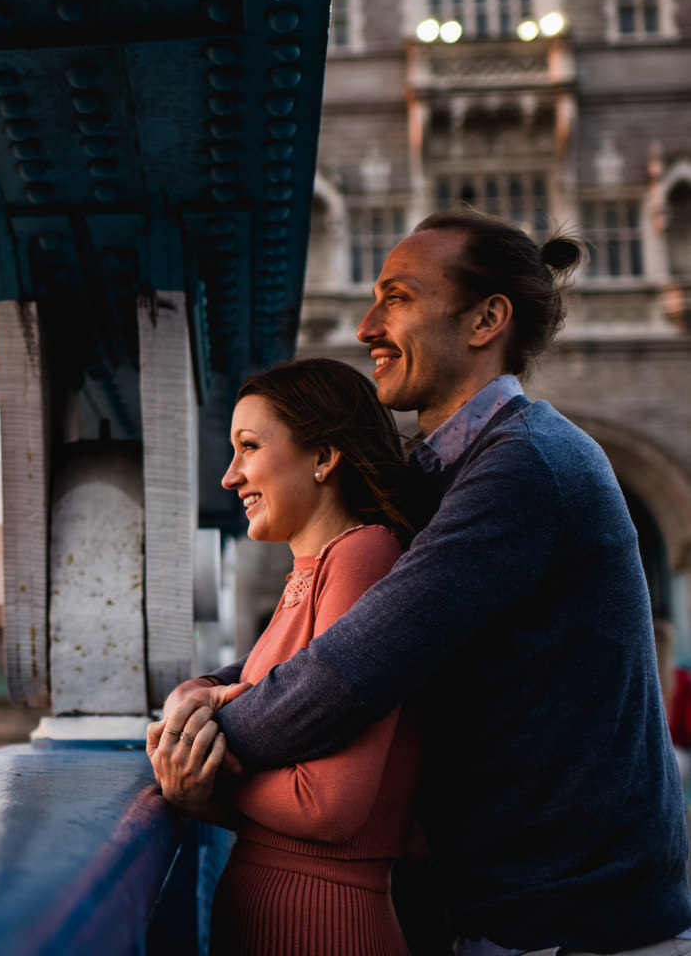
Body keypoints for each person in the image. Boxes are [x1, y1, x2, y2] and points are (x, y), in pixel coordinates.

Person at [165, 209, 691, 954]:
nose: (367, 325)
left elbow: (358, 666)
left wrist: (203, 750)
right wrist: (204, 689)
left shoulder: (524, 467)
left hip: (576, 920)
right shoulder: (438, 474)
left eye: (399, 298)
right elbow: (333, 639)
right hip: (502, 905)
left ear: (485, 320)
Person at [151, 357, 425, 954]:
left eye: (248, 447)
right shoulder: (310, 569)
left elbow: (327, 807)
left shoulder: (364, 555)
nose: (230, 477)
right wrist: (189, 696)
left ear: (325, 458)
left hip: (327, 920)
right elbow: (248, 701)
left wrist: (205, 783)